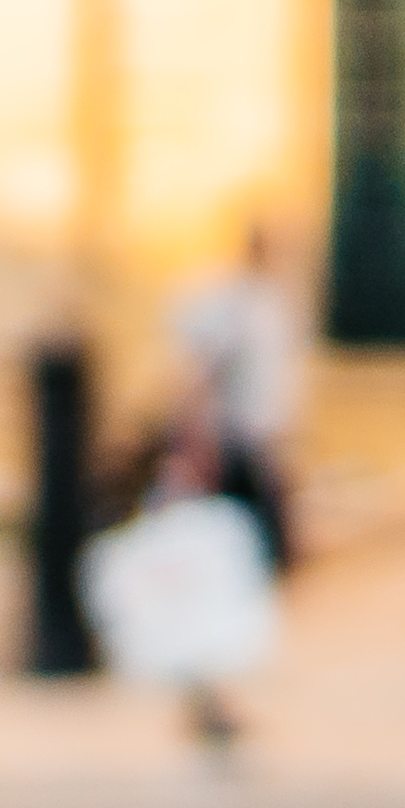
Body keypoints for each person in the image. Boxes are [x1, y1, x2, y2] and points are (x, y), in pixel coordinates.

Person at [169, 213, 311, 577]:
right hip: (238, 436)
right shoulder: (234, 302)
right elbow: (206, 369)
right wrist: (195, 428)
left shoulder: (270, 301)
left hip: (263, 434)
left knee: (268, 539)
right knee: (249, 536)